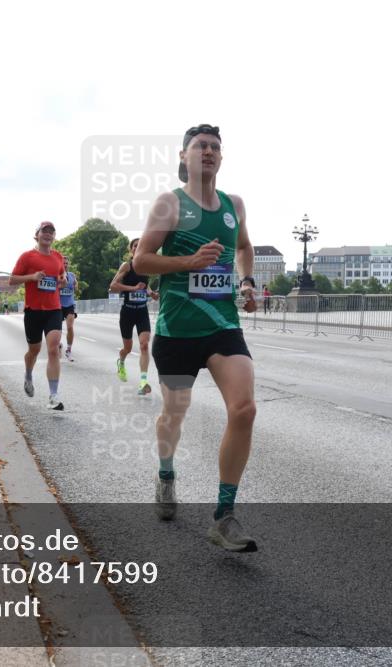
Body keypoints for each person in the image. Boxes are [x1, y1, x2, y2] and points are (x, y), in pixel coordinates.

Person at [132, 124, 259, 552]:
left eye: (215, 147)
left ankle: (224, 515)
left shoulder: (233, 205)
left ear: (221, 159)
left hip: (223, 326)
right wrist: (189, 261)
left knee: (244, 409)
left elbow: (243, 247)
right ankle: (166, 473)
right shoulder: (170, 204)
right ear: (183, 156)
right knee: (174, 416)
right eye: (200, 146)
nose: (208, 151)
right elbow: (142, 261)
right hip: (177, 330)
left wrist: (247, 283)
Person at [10, 221, 67, 410]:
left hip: (54, 309)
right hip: (33, 311)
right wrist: (32, 277)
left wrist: (62, 280)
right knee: (33, 351)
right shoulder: (27, 257)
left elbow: (62, 277)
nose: (48, 234)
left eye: (51, 232)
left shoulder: (58, 257)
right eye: (45, 231)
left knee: (53, 349)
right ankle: (28, 374)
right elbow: (12, 280)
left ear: (54, 236)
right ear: (37, 235)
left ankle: (53, 396)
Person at [110, 238, 158, 394]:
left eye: (141, 245)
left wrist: (151, 293)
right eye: (135, 246)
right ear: (131, 250)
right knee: (128, 347)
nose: (138, 248)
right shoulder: (126, 266)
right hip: (128, 312)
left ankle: (143, 382)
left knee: (144, 345)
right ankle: (121, 360)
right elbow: (113, 286)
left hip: (142, 311)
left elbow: (145, 285)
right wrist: (133, 288)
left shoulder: (145, 267)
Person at [60, 258, 79, 361]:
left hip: (70, 305)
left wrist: (75, 285)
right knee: (57, 329)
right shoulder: (57, 275)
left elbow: (76, 284)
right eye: (63, 263)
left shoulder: (71, 275)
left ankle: (68, 350)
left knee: (70, 327)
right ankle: (58, 344)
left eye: (67, 263)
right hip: (58, 305)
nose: (65, 265)